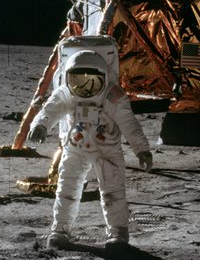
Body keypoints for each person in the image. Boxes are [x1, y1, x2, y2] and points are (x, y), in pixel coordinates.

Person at [27, 49, 153, 249]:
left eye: (91, 80)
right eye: (77, 80)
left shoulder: (112, 96)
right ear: (68, 77)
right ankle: (60, 231)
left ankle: (118, 234)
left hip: (107, 149)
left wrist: (142, 150)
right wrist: (40, 126)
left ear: (103, 76)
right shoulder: (67, 92)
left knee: (113, 191)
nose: (84, 87)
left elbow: (129, 124)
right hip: (76, 147)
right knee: (67, 189)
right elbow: (50, 110)